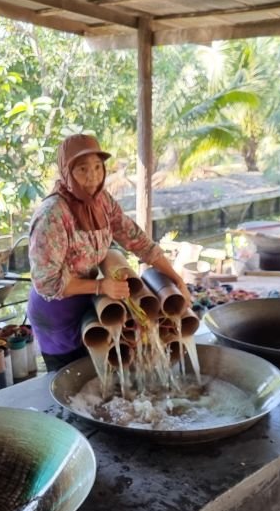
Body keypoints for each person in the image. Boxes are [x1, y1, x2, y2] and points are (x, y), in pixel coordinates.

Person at [28, 134, 190, 371]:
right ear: (66, 172)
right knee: (73, 381)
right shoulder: (52, 215)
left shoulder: (101, 201)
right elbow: (46, 283)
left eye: (97, 167)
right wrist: (101, 286)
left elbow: (139, 242)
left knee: (101, 378)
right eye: (82, 169)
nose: (92, 176)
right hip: (56, 316)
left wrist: (177, 280)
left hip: (90, 304)